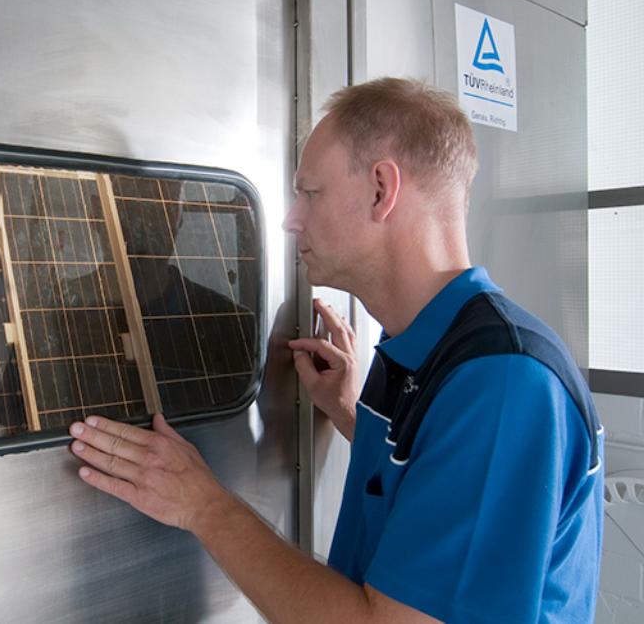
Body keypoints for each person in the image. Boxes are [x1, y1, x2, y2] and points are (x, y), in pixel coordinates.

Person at [67, 78, 604, 623]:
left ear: (380, 190)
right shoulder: (415, 352)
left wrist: (204, 504)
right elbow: (431, 484)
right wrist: (354, 417)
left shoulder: (502, 383)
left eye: (310, 193)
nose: (290, 218)